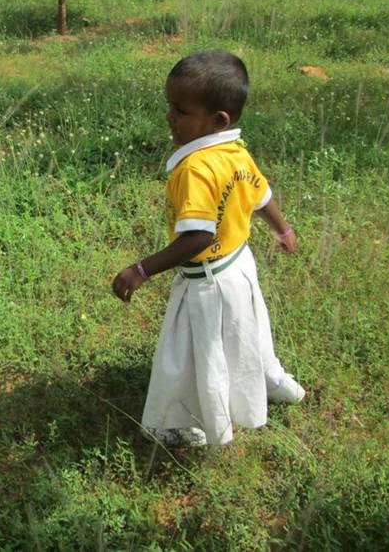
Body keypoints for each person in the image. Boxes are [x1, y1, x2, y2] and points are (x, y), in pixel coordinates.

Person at [111, 50, 304, 447]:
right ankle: (271, 379)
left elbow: (199, 237)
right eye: (170, 107)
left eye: (180, 111)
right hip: (240, 268)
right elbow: (260, 195)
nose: (169, 117)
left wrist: (141, 269)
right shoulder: (235, 152)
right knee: (248, 333)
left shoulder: (195, 168)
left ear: (218, 121)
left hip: (206, 284)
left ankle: (180, 423)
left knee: (189, 354)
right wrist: (282, 229)